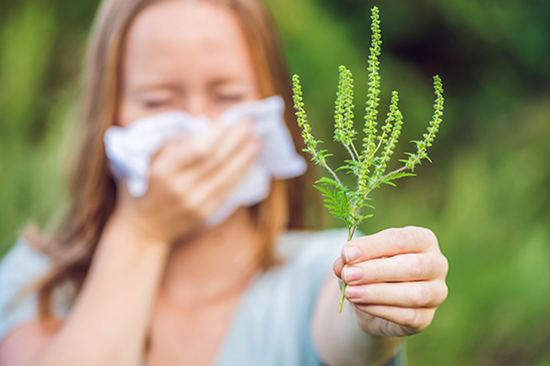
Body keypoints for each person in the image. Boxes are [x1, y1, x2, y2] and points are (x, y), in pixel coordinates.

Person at [0, 0, 449, 365]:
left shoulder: (316, 272)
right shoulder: (36, 281)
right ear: (108, 111)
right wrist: (143, 232)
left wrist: (374, 306)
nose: (201, 127)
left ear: (273, 107)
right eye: (159, 100)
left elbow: (348, 326)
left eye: (228, 96)